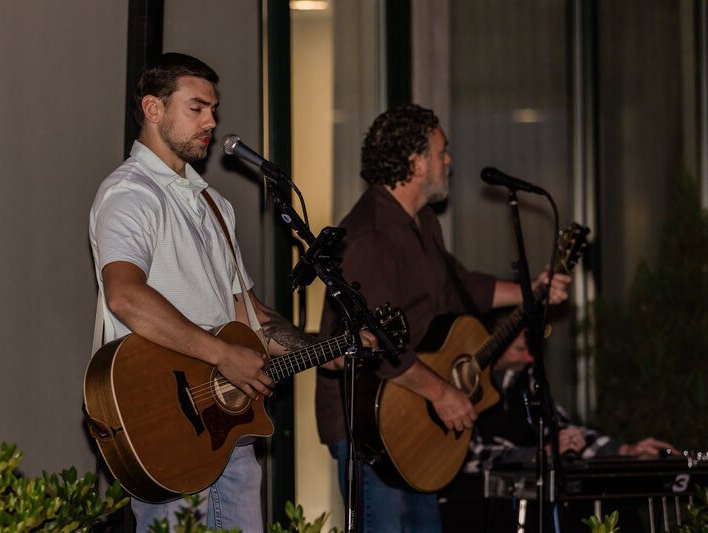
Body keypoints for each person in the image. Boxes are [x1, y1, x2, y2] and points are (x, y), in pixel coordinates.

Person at [89, 52, 364, 533]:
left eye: (213, 109)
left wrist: (326, 351)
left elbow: (248, 314)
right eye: (197, 108)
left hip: (230, 425)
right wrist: (222, 354)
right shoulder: (129, 193)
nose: (211, 122)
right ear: (153, 109)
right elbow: (125, 296)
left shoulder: (213, 204)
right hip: (166, 425)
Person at [315, 103, 571, 532]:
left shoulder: (422, 221)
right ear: (416, 163)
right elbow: (371, 344)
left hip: (414, 414)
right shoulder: (372, 234)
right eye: (441, 151)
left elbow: (459, 287)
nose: (448, 160)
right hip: (374, 421)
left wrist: (533, 290)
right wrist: (442, 394)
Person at [465, 331, 675, 473]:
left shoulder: (525, 380)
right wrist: (539, 454)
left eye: (532, 351)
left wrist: (625, 451)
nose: (530, 358)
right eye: (521, 350)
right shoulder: (464, 384)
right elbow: (473, 457)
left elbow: (563, 430)